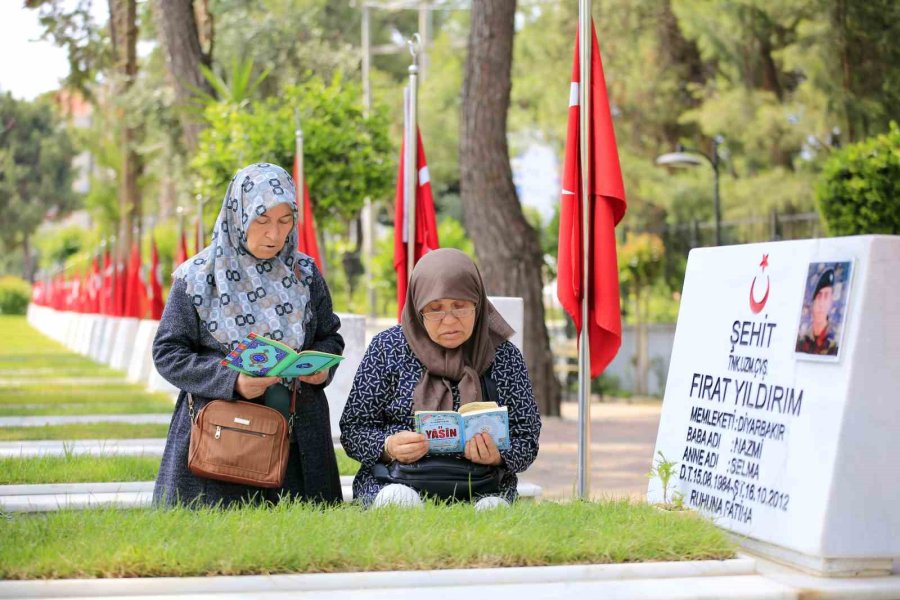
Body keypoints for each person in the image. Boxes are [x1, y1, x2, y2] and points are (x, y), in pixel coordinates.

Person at [152, 162, 344, 508]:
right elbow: (168, 352)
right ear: (238, 215)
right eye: (263, 220)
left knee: (304, 536)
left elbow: (329, 335)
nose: (275, 234)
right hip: (221, 442)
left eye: (285, 220)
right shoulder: (198, 278)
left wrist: (322, 367)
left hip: (298, 441)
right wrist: (232, 381)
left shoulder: (305, 274)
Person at [340, 248, 541, 508]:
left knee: (492, 510)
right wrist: (389, 446)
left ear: (478, 305)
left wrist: (498, 456)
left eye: (460, 307)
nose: (449, 321)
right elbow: (354, 428)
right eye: (435, 309)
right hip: (395, 480)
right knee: (397, 503)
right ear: (417, 309)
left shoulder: (502, 355)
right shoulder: (388, 348)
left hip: (482, 484)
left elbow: (527, 436)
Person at [795, 268, 839, 356]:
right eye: (818, 296)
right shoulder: (801, 340)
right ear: (812, 302)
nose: (821, 303)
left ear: (831, 301)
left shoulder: (836, 341)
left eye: (826, 296)